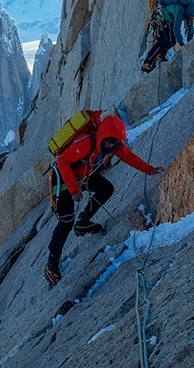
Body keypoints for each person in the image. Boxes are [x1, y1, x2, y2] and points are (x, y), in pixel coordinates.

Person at [44, 112, 165, 286]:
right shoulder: (86, 143)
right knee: (65, 222)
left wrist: (149, 170)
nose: (112, 145)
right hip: (62, 179)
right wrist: (73, 189)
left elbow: (129, 157)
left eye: (115, 141)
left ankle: (83, 220)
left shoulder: (112, 146)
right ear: (103, 136)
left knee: (106, 188)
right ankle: (51, 265)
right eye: (110, 141)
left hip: (80, 175)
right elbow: (62, 161)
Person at [141, 0, 194, 73]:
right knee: (162, 41)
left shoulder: (188, 14)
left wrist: (190, 45)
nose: (192, 17)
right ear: (190, 10)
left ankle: (160, 55)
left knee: (172, 42)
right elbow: (176, 29)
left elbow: (190, 31)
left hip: (166, 22)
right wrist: (183, 45)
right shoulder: (180, 9)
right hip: (158, 18)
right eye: (192, 15)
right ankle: (147, 62)